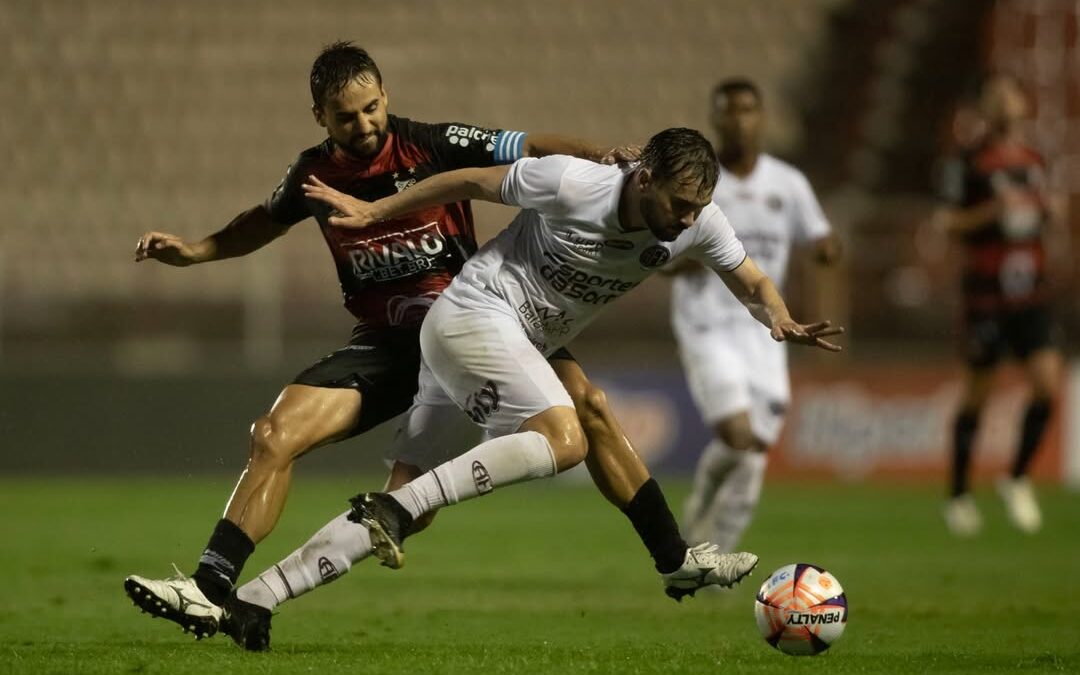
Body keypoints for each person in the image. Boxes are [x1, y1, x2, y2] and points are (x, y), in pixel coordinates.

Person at [123, 42, 706, 643]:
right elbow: (261, 222)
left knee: (584, 414)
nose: (365, 123)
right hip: (386, 346)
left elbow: (528, 148)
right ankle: (215, 590)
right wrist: (195, 252)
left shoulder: (431, 144)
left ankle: (675, 558)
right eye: (346, 116)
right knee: (275, 435)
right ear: (319, 114)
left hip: (477, 326)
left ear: (386, 97)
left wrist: (598, 156)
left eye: (372, 107)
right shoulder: (311, 174)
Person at [303, 127, 843, 609]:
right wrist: (375, 212)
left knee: (590, 411)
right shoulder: (572, 184)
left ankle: (264, 593)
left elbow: (750, 279)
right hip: (485, 314)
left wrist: (780, 316)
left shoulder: (697, 223)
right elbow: (467, 180)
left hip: (534, 336)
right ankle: (378, 518)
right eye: (680, 205)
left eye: (698, 208)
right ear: (645, 179)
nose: (687, 220)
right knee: (556, 438)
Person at [670, 79, 839, 552]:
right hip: (707, 325)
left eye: (747, 110)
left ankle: (716, 539)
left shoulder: (787, 184)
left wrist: (828, 247)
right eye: (729, 111)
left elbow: (821, 237)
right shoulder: (697, 182)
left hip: (767, 330)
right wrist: (687, 258)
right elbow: (659, 258)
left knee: (755, 451)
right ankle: (712, 539)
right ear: (715, 118)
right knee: (738, 435)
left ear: (761, 117)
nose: (738, 120)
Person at [938, 73, 1065, 536]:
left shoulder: (1034, 160)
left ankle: (1016, 478)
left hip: (1030, 292)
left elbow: (1043, 215)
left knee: (1048, 385)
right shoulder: (968, 161)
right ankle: (958, 494)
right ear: (986, 109)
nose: (1005, 102)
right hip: (986, 295)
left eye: (1011, 93)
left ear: (1023, 103)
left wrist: (1049, 215)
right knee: (978, 393)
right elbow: (948, 221)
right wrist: (990, 214)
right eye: (995, 96)